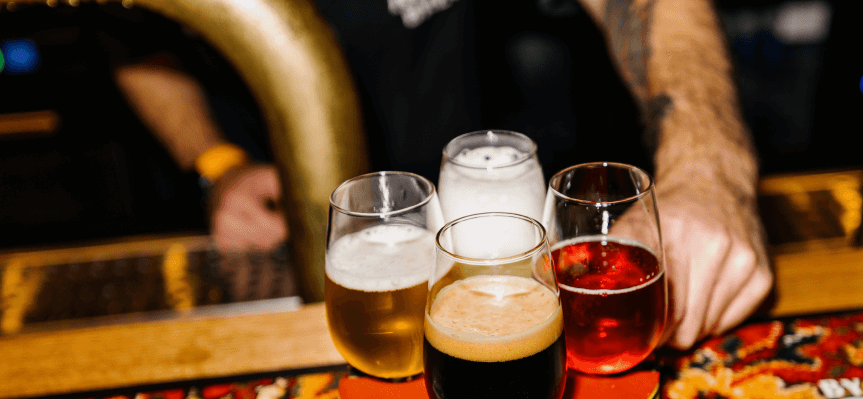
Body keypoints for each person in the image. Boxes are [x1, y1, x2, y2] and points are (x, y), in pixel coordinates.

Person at [112, 0, 772, 350]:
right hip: (266, 218)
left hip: (460, 197)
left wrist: (708, 168)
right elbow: (137, 42)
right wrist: (217, 164)